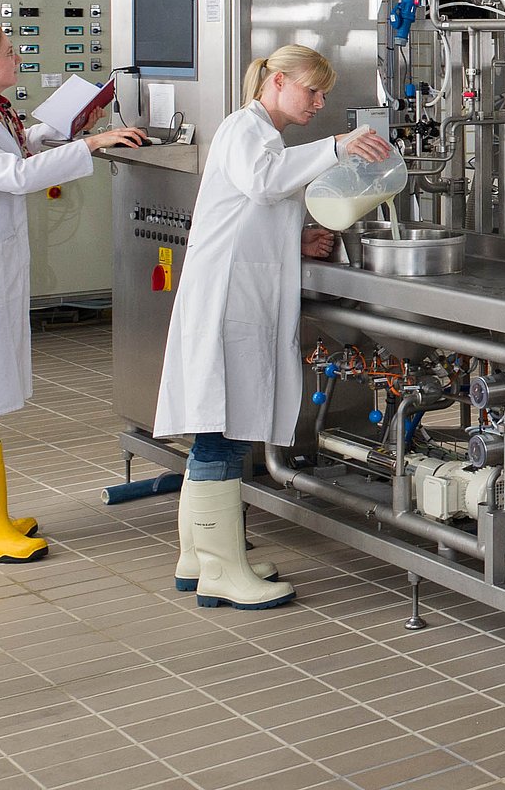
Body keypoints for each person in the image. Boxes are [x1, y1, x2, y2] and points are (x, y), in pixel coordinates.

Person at [153, 44, 391, 610]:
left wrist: (299, 236)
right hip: (227, 302)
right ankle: (220, 571)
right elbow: (264, 183)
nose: (320, 102)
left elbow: (254, 209)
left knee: (222, 426)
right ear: (278, 82)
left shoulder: (265, 135)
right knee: (222, 431)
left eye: (324, 94)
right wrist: (336, 146)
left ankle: (200, 556)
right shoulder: (245, 129)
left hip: (239, 296)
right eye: (313, 91)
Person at [0, 20, 145, 562]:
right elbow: (13, 175)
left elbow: (17, 147)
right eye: (10, 53)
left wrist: (63, 130)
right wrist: (90, 142)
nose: (17, 58)